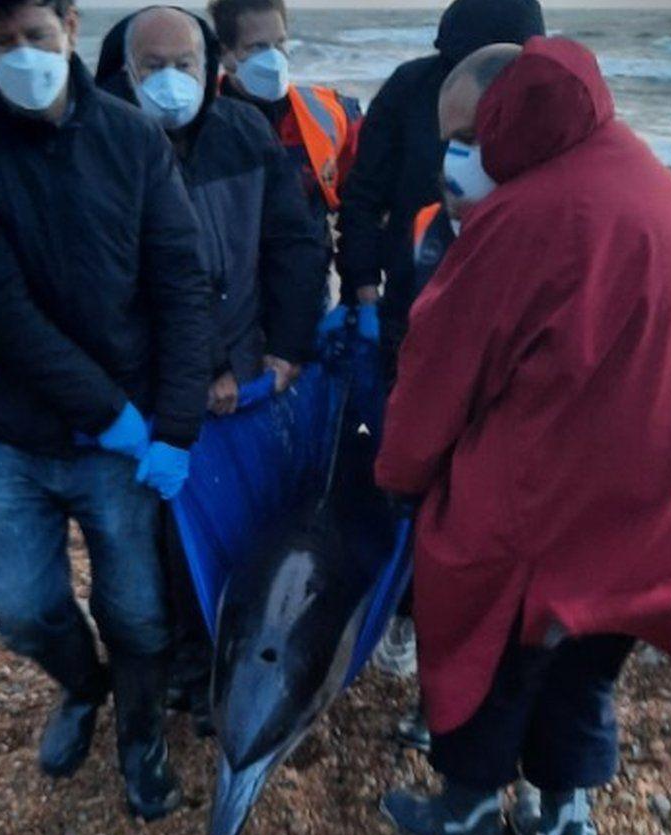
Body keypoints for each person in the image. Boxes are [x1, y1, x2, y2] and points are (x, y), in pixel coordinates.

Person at [376, 38, 671, 835]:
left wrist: (400, 477)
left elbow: (440, 372)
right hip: (656, 504)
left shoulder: (525, 217)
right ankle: (564, 818)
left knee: (489, 654)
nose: (455, 155)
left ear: (509, 120)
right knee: (587, 665)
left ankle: (471, 806)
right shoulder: (636, 169)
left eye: (468, 136)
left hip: (550, 505)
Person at [0, 0, 212, 823]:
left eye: (36, 36)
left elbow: (180, 285)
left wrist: (174, 425)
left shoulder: (133, 138)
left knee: (140, 609)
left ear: (72, 28)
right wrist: (109, 410)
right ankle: (85, 686)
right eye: (0, 41)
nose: (22, 55)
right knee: (18, 602)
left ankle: (141, 737)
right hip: (13, 432)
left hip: (126, 444)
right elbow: (2, 312)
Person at [94, 5, 328, 732]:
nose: (171, 82)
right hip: (151, 395)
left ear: (212, 68)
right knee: (155, 546)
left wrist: (284, 350)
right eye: (153, 67)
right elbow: (106, 290)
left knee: (241, 529)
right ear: (125, 75)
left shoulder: (244, 132)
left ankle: (228, 667)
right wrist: (184, 385)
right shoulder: (102, 149)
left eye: (184, 65)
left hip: (247, 380)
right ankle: (180, 675)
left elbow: (296, 243)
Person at [335, 0, 545, 371]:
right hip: (411, 301)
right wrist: (363, 292)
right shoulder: (411, 88)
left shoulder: (541, 102)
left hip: (513, 313)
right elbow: (362, 195)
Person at [208, 0, 362, 249]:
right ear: (226, 54)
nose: (273, 56)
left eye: (279, 43)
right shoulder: (197, 120)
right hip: (230, 279)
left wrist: (359, 278)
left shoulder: (330, 112)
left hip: (306, 279)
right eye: (257, 47)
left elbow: (360, 203)